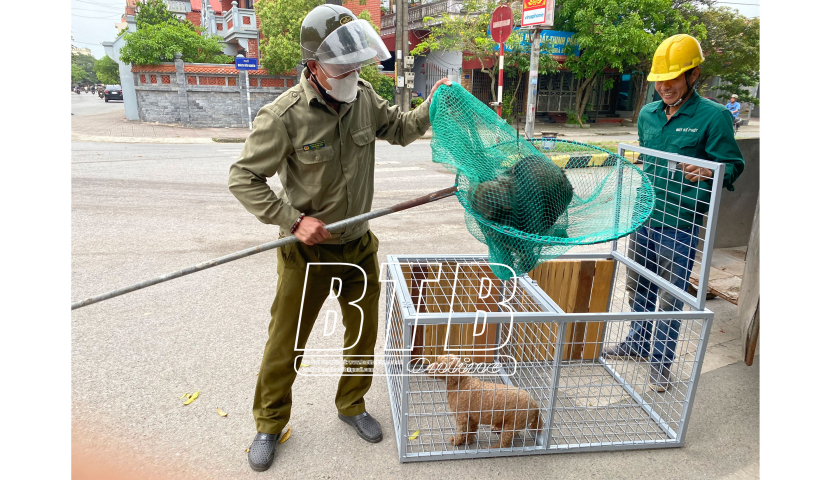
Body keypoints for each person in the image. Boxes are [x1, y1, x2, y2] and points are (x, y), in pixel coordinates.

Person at [228, 4, 451, 472]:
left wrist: (432, 104)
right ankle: (269, 423)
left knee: (362, 335)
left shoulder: (364, 99)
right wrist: (293, 220)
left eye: (355, 64)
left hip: (359, 247)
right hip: (305, 254)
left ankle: (352, 404)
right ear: (314, 66)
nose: (352, 74)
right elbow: (243, 177)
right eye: (342, 67)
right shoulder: (283, 116)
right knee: (286, 342)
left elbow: (402, 128)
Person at [601, 34, 745, 392]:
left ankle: (661, 362)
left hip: (680, 222)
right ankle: (637, 341)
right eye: (660, 80)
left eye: (673, 78)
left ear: (693, 75)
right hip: (645, 214)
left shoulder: (713, 116)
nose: (664, 86)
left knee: (670, 294)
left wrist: (710, 170)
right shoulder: (648, 115)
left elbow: (734, 165)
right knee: (638, 284)